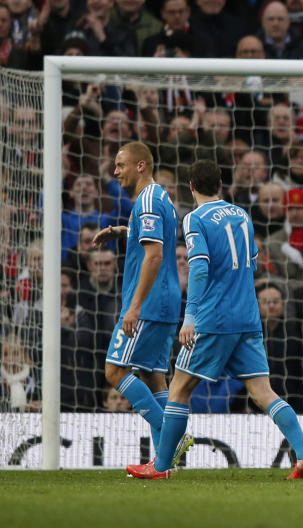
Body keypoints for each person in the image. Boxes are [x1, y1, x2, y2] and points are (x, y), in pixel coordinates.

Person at [126, 160, 303, 480]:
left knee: (178, 389)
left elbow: (199, 267)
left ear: (191, 186)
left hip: (213, 318)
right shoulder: (242, 215)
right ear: (221, 185)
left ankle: (160, 467)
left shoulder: (194, 218)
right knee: (262, 392)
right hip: (248, 315)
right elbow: (253, 261)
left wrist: (190, 317)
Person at [91, 141, 180, 457]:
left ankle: (173, 438)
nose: (116, 172)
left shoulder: (147, 202)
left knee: (114, 371)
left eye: (120, 164)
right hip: (167, 302)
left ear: (141, 165)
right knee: (154, 377)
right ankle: (162, 464)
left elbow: (154, 256)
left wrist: (134, 306)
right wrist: (119, 231)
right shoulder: (161, 199)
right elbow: (154, 238)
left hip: (149, 304)